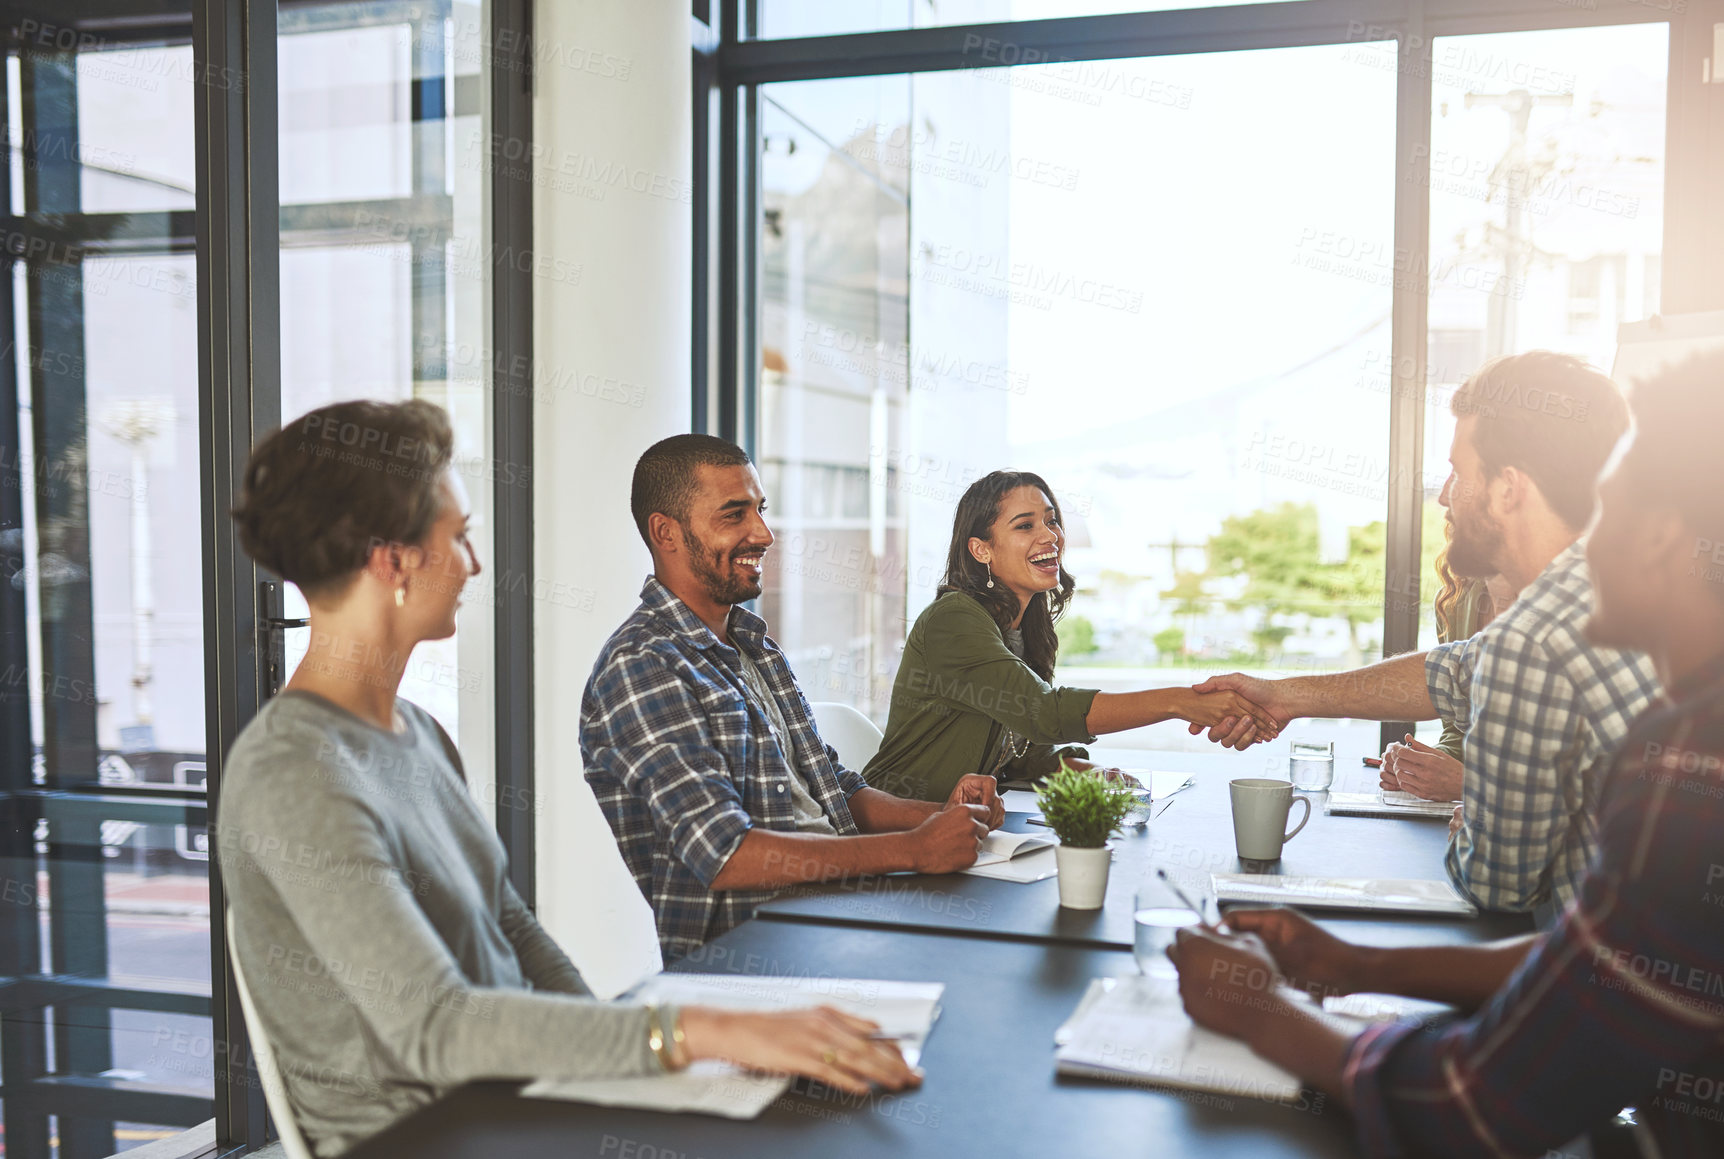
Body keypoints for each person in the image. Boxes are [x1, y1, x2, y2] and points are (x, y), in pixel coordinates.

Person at [221, 404, 919, 1157]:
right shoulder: (294, 772)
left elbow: (511, 924)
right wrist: (690, 1031)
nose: (474, 563)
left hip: (517, 1101)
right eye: (457, 537)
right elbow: (437, 1026)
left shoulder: (416, 735)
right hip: (431, 1134)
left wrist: (626, 1064)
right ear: (392, 562)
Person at [1166, 346, 1724, 1158]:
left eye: (1606, 509)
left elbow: (1468, 1103)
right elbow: (1610, 955)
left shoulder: (1685, 758)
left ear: (1664, 538)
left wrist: (1255, 1008)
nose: (1582, 545)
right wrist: (1348, 958)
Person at [1192, 351, 1660, 914]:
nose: (1444, 496)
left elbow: (1495, 887)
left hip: (1582, 980)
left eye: (1460, 473)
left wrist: (1475, 819)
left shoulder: (1532, 642)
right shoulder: (1623, 591)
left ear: (1509, 488)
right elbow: (1456, 670)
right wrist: (1287, 696)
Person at [583, 435, 1006, 961]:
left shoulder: (751, 644)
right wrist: (916, 849)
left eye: (760, 510)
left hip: (843, 914)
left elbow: (832, 789)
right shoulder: (644, 666)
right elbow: (725, 853)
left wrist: (944, 816)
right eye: (734, 515)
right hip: (760, 956)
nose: (763, 534)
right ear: (665, 532)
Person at [862, 470, 1279, 803]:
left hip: (960, 829)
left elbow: (1020, 751)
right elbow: (1042, 712)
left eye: (1052, 520)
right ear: (981, 550)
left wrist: (1091, 773)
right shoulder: (952, 621)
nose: (1050, 536)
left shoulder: (1017, 629)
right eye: (1025, 526)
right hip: (895, 824)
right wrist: (1180, 702)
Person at [1376, 531, 1518, 803]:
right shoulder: (1455, 599)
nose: (1443, 498)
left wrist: (1470, 784)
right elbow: (1458, 729)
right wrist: (1421, 768)